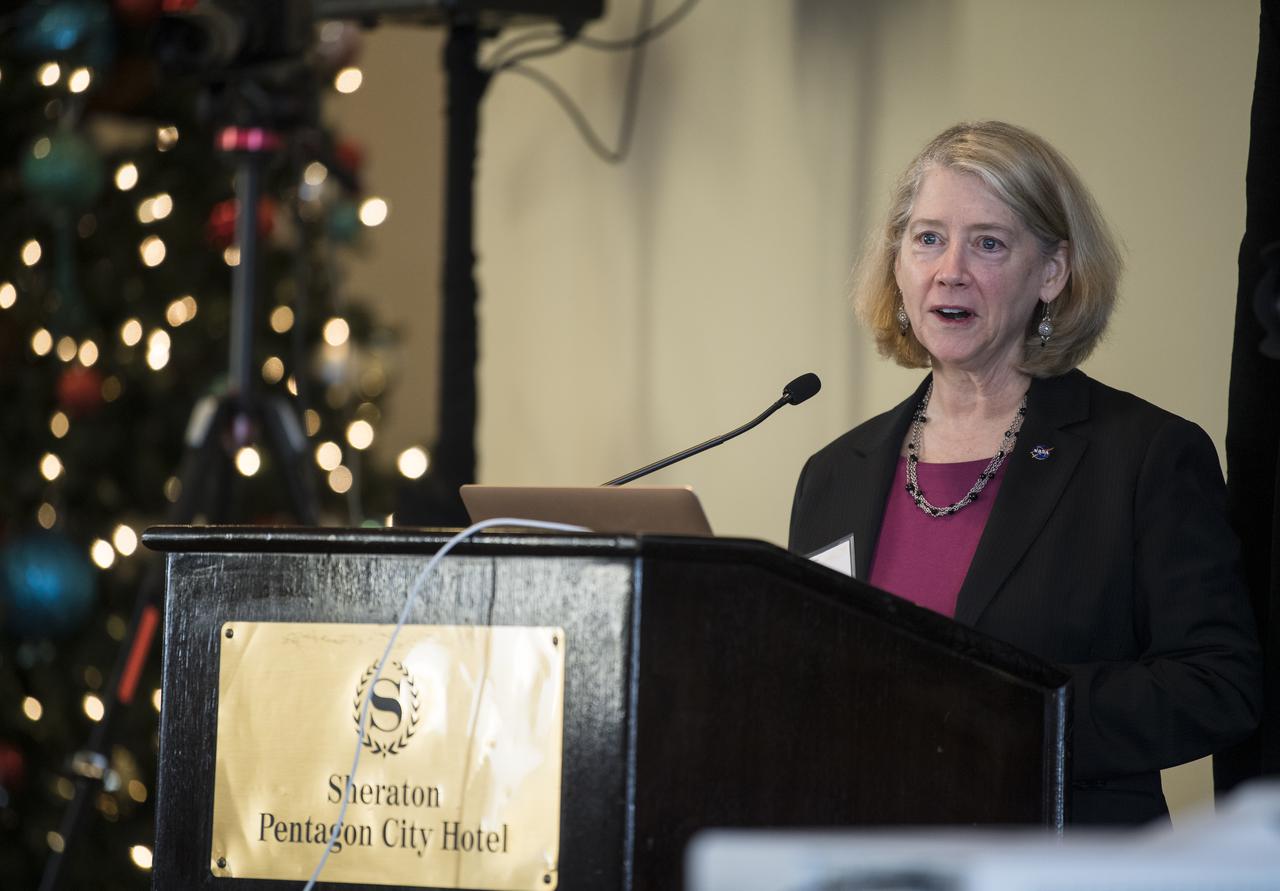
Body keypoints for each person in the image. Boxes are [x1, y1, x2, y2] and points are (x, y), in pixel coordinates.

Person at [789, 121, 1263, 825]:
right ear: (897, 265)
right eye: (927, 238)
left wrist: (1011, 709)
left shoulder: (1144, 457)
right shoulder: (834, 475)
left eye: (988, 242)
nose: (950, 269)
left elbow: (1218, 685)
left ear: (1052, 272)